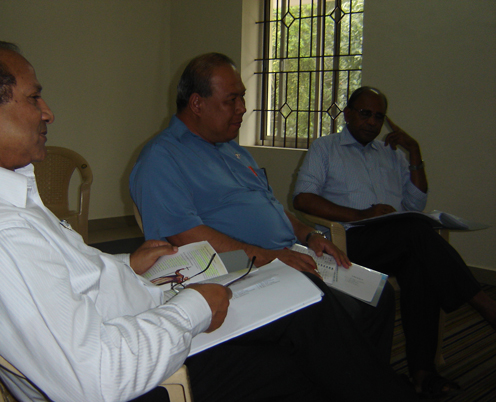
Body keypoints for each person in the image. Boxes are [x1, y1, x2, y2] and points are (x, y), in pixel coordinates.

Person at [0, 36, 468, 402]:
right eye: (34, 97)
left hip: (122, 324)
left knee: (308, 319)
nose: (47, 112)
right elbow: (97, 380)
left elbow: (58, 276)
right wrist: (194, 307)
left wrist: (124, 264)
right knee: (309, 356)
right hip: (112, 398)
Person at [130, 53, 395, 365]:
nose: (243, 107)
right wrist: (270, 257)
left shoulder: (232, 150)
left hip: (286, 254)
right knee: (336, 311)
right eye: (232, 99)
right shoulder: (162, 157)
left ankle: (360, 380)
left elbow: (272, 207)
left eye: (242, 97)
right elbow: (184, 237)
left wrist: (309, 235)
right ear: (197, 104)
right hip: (236, 269)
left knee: (379, 293)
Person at [292, 86, 496, 398]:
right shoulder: (326, 147)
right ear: (348, 114)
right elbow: (303, 199)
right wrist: (361, 214)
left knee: (419, 262)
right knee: (415, 231)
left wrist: (414, 153)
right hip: (347, 242)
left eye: (379, 116)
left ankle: (423, 373)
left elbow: (415, 203)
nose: (372, 122)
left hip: (396, 241)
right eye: (365, 114)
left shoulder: (390, 153)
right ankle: (484, 304)